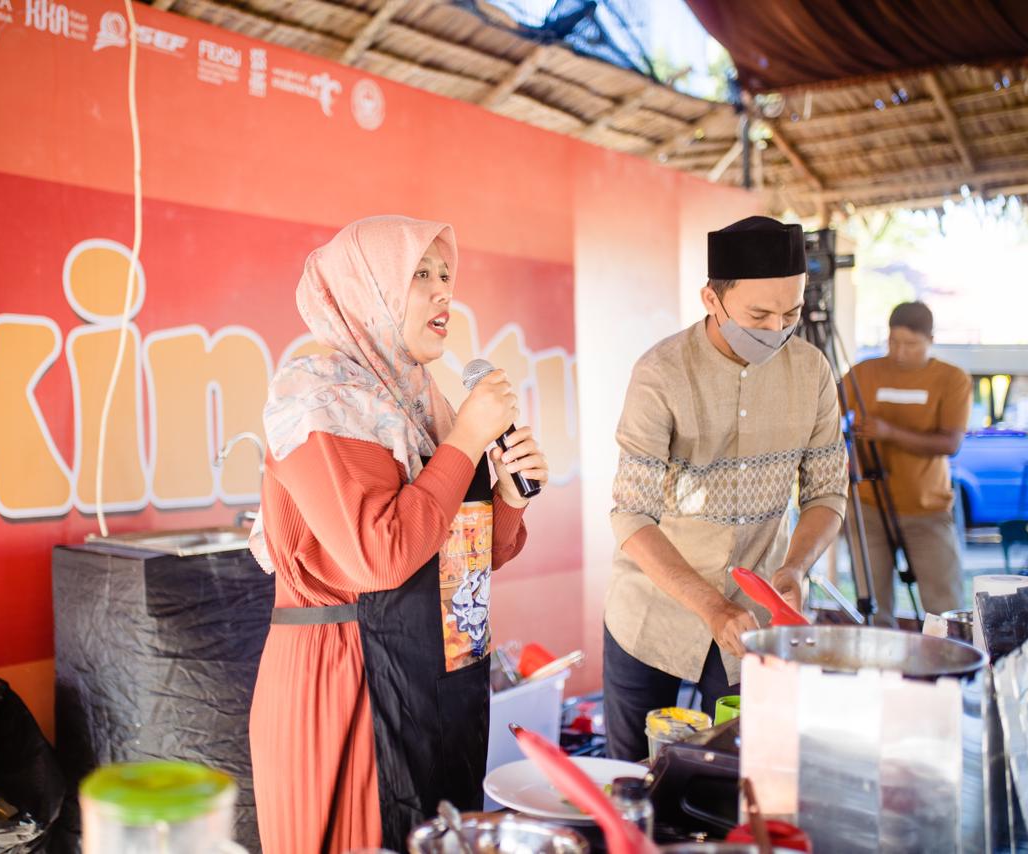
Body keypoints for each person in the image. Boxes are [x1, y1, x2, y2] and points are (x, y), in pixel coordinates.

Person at [247, 215, 550, 852]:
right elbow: (379, 556)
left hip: (435, 678)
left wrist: (507, 496)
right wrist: (466, 440)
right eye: (420, 275)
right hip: (348, 680)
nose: (445, 291)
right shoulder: (320, 399)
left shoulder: (423, 402)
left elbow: (466, 558)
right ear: (369, 288)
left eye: (446, 274)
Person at [602, 216, 849, 762]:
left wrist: (795, 567)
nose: (776, 329)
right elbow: (632, 516)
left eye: (790, 314)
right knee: (635, 779)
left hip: (753, 617)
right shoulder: (661, 374)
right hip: (652, 612)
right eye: (758, 316)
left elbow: (827, 493)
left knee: (739, 774)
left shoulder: (812, 372)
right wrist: (710, 606)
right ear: (711, 299)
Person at [844, 301, 972, 625]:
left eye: (911, 344)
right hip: (868, 507)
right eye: (893, 341)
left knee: (944, 608)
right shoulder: (863, 373)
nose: (900, 352)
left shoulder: (951, 379)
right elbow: (826, 415)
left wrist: (888, 432)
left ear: (931, 340)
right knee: (873, 606)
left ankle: (946, 657)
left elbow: (951, 443)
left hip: (927, 509)